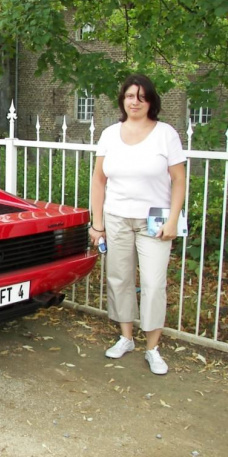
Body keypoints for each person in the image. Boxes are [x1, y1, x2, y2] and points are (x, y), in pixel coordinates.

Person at [89, 74, 186, 375]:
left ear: (151, 102)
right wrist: (97, 224)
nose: (135, 102)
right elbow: (98, 180)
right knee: (119, 279)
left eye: (141, 97)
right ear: (123, 100)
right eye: (130, 96)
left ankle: (153, 347)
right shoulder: (109, 134)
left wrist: (173, 219)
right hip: (116, 217)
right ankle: (126, 337)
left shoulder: (165, 134)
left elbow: (179, 179)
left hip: (154, 221)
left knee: (154, 284)